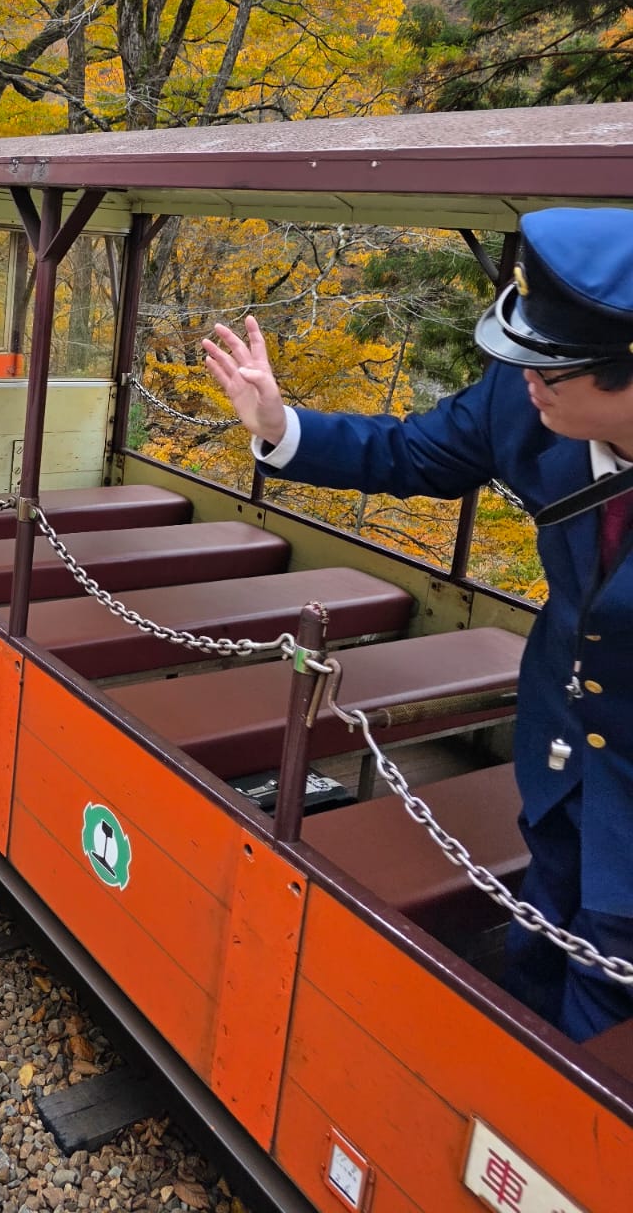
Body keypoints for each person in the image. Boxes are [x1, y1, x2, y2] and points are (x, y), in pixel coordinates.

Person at [202, 206, 633, 1043]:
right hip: (558, 748)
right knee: (538, 945)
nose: (525, 382)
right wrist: (277, 427)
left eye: (553, 370)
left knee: (603, 1005)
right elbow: (414, 453)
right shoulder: (527, 397)